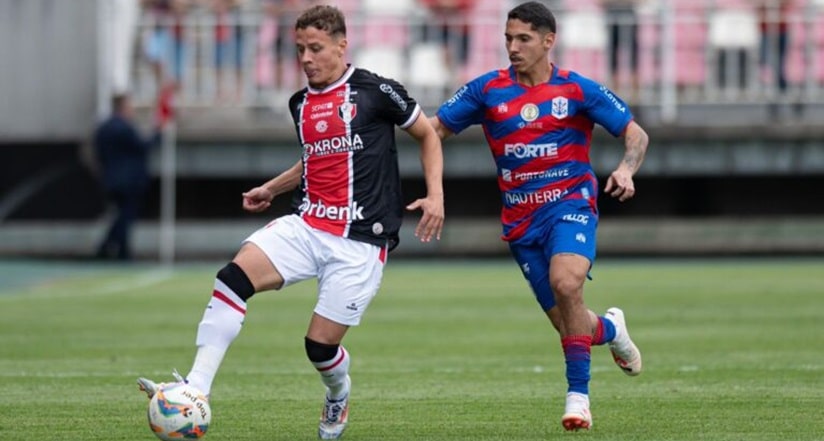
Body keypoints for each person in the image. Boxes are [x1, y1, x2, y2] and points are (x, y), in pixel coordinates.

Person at [136, 4, 445, 440]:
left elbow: (427, 134)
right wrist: (273, 188)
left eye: (315, 48)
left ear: (342, 45)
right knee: (232, 278)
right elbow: (318, 159)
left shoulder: (377, 91)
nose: (305, 58)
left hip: (360, 242)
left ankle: (338, 393)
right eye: (299, 48)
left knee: (319, 347)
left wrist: (436, 195)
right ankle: (197, 388)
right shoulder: (299, 103)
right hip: (309, 224)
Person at [428, 2, 648, 431]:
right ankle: (611, 329)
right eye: (508, 38)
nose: (513, 47)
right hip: (521, 223)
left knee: (567, 283)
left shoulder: (578, 90)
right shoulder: (486, 90)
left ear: (549, 41)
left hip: (570, 206)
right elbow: (432, 130)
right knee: (570, 321)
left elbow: (635, 134)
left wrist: (626, 168)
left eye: (523, 38)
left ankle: (578, 399)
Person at [94, 94, 160, 261]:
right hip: (129, 180)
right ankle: (108, 247)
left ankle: (119, 249)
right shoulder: (124, 128)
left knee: (122, 215)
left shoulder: (103, 128)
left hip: (111, 178)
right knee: (126, 216)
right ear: (123, 107)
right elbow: (142, 146)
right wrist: (159, 134)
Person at [600, 0, 640, 96]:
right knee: (612, 54)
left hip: (629, 15)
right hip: (612, 16)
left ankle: (635, 92)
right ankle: (614, 91)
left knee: (633, 54)